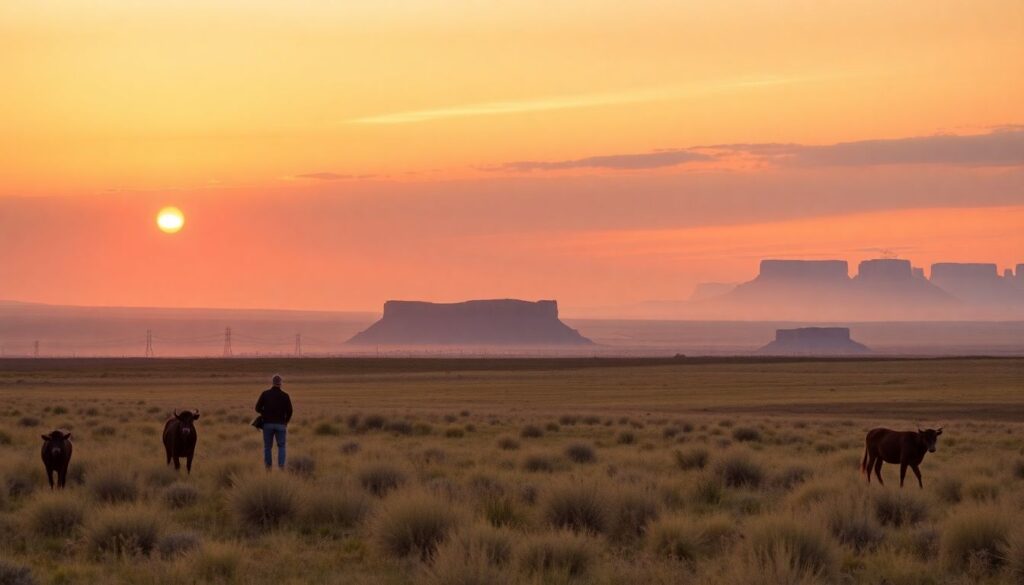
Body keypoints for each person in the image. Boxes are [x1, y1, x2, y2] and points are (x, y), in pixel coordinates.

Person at [255, 374, 293, 470]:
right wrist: (286, 421)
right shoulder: (285, 396)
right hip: (281, 424)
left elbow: (257, 408)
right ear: (281, 383)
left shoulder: (265, 394)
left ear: (272, 382)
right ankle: (281, 466)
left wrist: (264, 413)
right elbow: (290, 411)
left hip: (267, 424)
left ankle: (268, 467)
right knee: (281, 446)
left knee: (267, 447)